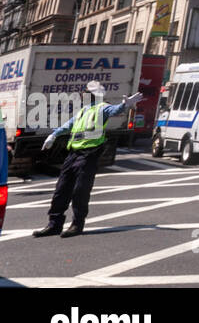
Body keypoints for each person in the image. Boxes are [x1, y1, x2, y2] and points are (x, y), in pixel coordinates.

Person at [33, 83, 144, 238]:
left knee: (80, 191)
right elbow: (69, 125)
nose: (81, 94)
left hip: (88, 155)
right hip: (73, 154)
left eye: (85, 92)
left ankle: (77, 224)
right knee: (61, 190)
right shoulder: (84, 110)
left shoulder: (101, 108)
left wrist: (125, 105)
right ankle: (54, 224)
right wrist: (54, 135)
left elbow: (114, 110)